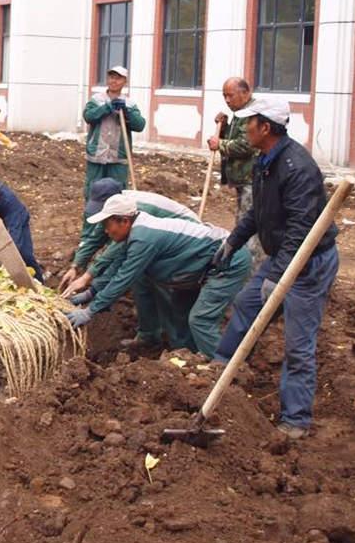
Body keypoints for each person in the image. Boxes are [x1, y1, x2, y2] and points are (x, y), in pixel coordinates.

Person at [211, 98, 339, 440]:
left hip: (308, 264)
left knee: (298, 345)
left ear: (265, 127)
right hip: (284, 256)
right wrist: (232, 243)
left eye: (249, 122)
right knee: (247, 304)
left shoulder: (297, 168)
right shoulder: (264, 160)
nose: (243, 128)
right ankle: (220, 367)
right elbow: (257, 214)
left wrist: (277, 276)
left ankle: (296, 420)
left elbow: (301, 231)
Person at [64, 193, 251, 360]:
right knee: (179, 311)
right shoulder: (134, 231)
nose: (105, 231)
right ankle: (189, 357)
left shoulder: (144, 238)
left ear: (123, 221)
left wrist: (90, 311)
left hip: (227, 262)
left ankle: (223, 369)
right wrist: (91, 292)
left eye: (107, 224)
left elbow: (124, 277)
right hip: (199, 267)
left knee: (201, 319)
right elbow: (116, 266)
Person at [58, 178, 199, 294]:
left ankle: (157, 324)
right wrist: (75, 267)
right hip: (163, 237)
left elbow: (117, 247)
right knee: (136, 271)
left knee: (147, 274)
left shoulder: (131, 210)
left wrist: (87, 277)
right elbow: (94, 238)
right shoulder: (115, 210)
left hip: (188, 236)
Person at [208, 77, 263, 269]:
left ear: (245, 93)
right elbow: (236, 137)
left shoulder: (253, 114)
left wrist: (220, 144)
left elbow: (247, 144)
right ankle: (243, 265)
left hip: (252, 179)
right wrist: (223, 129)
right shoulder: (240, 113)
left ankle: (252, 269)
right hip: (242, 179)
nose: (227, 100)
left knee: (249, 225)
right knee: (243, 222)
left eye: (230, 95)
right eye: (224, 96)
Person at [82, 66, 145, 199]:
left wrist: (127, 113)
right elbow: (88, 116)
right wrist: (107, 107)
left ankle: (114, 219)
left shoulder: (129, 103)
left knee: (118, 195)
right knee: (93, 192)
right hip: (97, 155)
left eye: (118, 78)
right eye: (111, 77)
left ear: (124, 82)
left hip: (118, 157)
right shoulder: (96, 100)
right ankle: (92, 219)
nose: (114, 81)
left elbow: (140, 125)